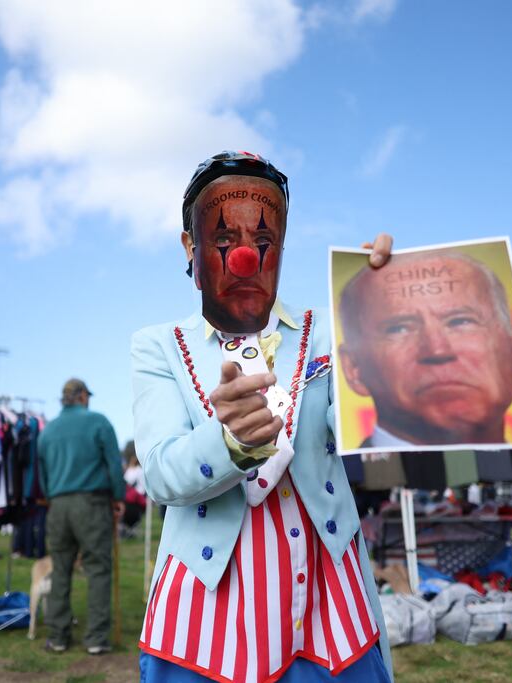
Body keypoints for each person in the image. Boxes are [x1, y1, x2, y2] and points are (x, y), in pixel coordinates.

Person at [132, 151, 393, 682]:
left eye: (265, 241)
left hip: (330, 613)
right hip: (207, 622)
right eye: (224, 241)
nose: (246, 257)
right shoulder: (159, 346)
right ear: (191, 245)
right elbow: (160, 474)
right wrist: (226, 442)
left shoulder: (327, 331)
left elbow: (372, 424)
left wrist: (382, 311)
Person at [338, 251, 512, 448]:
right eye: (399, 328)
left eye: (460, 321)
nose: (437, 350)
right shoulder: (338, 476)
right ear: (354, 369)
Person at [38, 378, 125, 655]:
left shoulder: (47, 430)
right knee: (98, 567)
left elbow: (41, 475)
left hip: (58, 505)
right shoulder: (98, 422)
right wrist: (119, 496)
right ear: (83, 397)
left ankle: (58, 635)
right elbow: (113, 463)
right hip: (91, 502)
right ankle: (97, 638)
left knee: (60, 567)